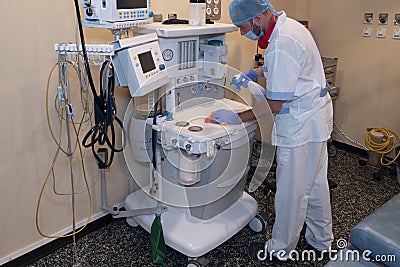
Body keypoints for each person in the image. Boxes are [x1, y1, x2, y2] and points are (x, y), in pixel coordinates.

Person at [209, 0, 334, 261]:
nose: (243, 34)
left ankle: (281, 249)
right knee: (315, 185)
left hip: (300, 126)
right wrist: (255, 73)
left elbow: (275, 104)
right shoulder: (289, 27)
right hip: (315, 119)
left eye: (242, 28)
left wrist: (237, 117)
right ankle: (322, 241)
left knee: (292, 192)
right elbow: (286, 67)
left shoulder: (282, 43)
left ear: (257, 18)